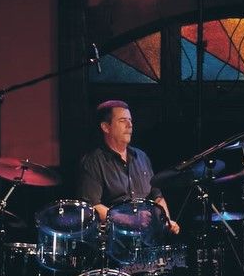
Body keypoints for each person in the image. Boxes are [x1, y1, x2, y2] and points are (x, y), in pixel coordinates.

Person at [77, 100, 181, 235]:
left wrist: (166, 221)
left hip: (148, 237)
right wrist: (130, 220)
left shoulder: (142, 157)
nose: (129, 125)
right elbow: (92, 206)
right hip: (116, 238)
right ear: (106, 127)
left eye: (130, 120)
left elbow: (157, 197)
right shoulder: (93, 161)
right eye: (122, 120)